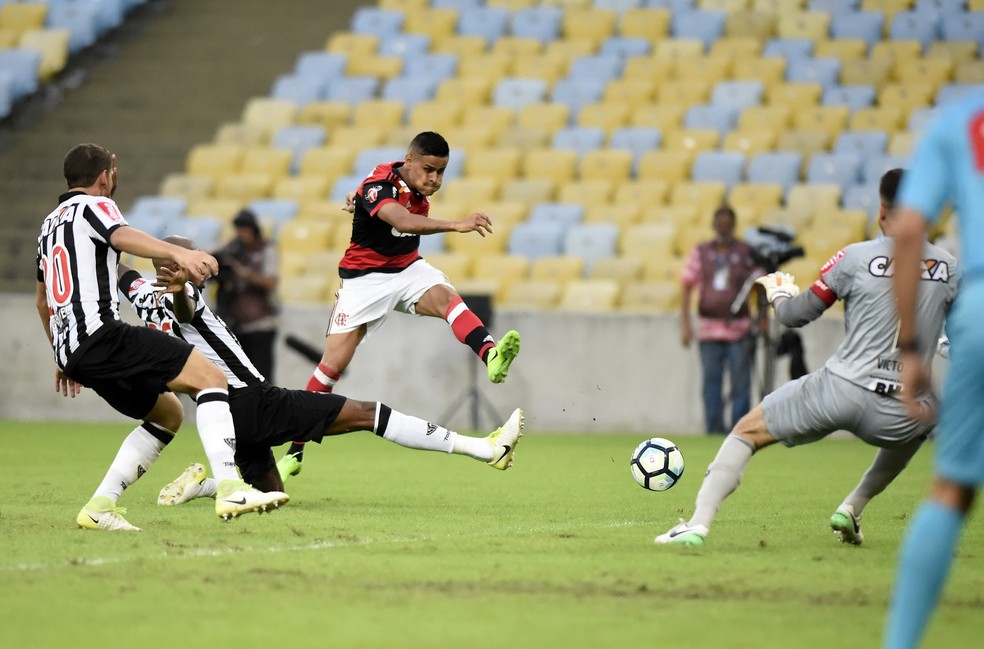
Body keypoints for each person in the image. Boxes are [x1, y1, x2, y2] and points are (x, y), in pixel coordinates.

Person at [656, 169, 959, 547]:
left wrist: (779, 292)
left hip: (840, 390)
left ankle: (698, 524)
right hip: (904, 407)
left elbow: (794, 316)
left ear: (882, 210)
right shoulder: (951, 268)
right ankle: (853, 506)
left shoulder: (854, 257)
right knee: (923, 420)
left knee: (747, 431)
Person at [117, 236, 524, 503]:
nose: (202, 266)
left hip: (222, 412)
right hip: (253, 400)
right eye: (194, 259)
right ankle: (486, 450)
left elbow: (122, 274)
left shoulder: (142, 293)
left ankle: (199, 486)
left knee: (272, 494)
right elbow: (185, 308)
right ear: (178, 264)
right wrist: (181, 278)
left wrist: (92, 244)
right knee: (369, 414)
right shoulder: (182, 292)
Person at [35, 143, 287, 531]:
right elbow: (121, 236)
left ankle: (100, 505)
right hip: (104, 335)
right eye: (113, 172)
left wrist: (61, 351)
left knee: (168, 412)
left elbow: (43, 301)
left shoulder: (48, 226)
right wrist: (180, 254)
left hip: (74, 348)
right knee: (211, 378)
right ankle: (231, 488)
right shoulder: (95, 205)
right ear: (105, 176)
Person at [284, 131, 521, 476]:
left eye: (441, 172)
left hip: (408, 268)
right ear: (409, 161)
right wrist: (458, 224)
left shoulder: (403, 184)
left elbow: (386, 209)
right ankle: (295, 451)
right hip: (364, 282)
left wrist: (360, 199)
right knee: (331, 367)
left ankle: (491, 354)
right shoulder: (379, 183)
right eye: (429, 169)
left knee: (447, 298)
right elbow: (402, 220)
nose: (435, 179)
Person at [883, 92, 983, 649]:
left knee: (952, 489)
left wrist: (912, 348)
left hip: (982, 310)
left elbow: (907, 230)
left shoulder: (961, 119)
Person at [680, 205, 767, 434]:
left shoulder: (746, 252)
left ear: (733, 226)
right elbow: (686, 286)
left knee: (741, 384)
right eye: (720, 225)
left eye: (728, 226)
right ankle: (714, 429)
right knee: (711, 383)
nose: (723, 230)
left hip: (740, 329)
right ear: (714, 226)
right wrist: (686, 325)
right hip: (708, 330)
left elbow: (761, 285)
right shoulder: (701, 252)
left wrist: (763, 318)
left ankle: (740, 431)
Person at [212, 209, 279, 380]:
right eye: (239, 230)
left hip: (262, 324)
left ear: (254, 229)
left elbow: (270, 282)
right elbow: (214, 256)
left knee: (263, 377)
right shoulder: (233, 248)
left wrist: (243, 273)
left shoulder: (266, 249)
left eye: (245, 229)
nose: (242, 234)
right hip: (238, 324)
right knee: (244, 379)